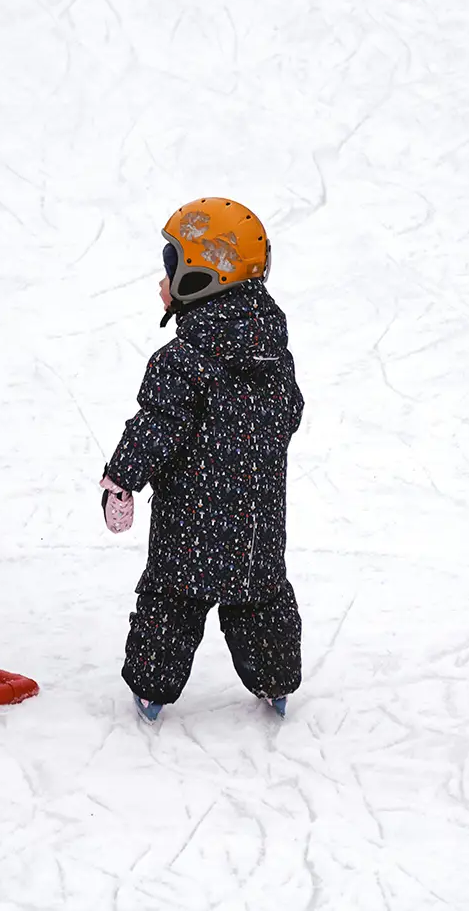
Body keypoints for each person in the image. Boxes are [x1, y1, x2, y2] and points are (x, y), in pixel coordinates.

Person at [99, 198, 304, 722]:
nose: (161, 283)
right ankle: (275, 682)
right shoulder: (271, 352)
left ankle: (152, 688)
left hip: (190, 523)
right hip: (259, 523)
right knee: (260, 597)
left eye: (170, 269)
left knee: (171, 602)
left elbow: (157, 425)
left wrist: (121, 480)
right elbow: (291, 412)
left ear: (201, 279)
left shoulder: (183, 360)